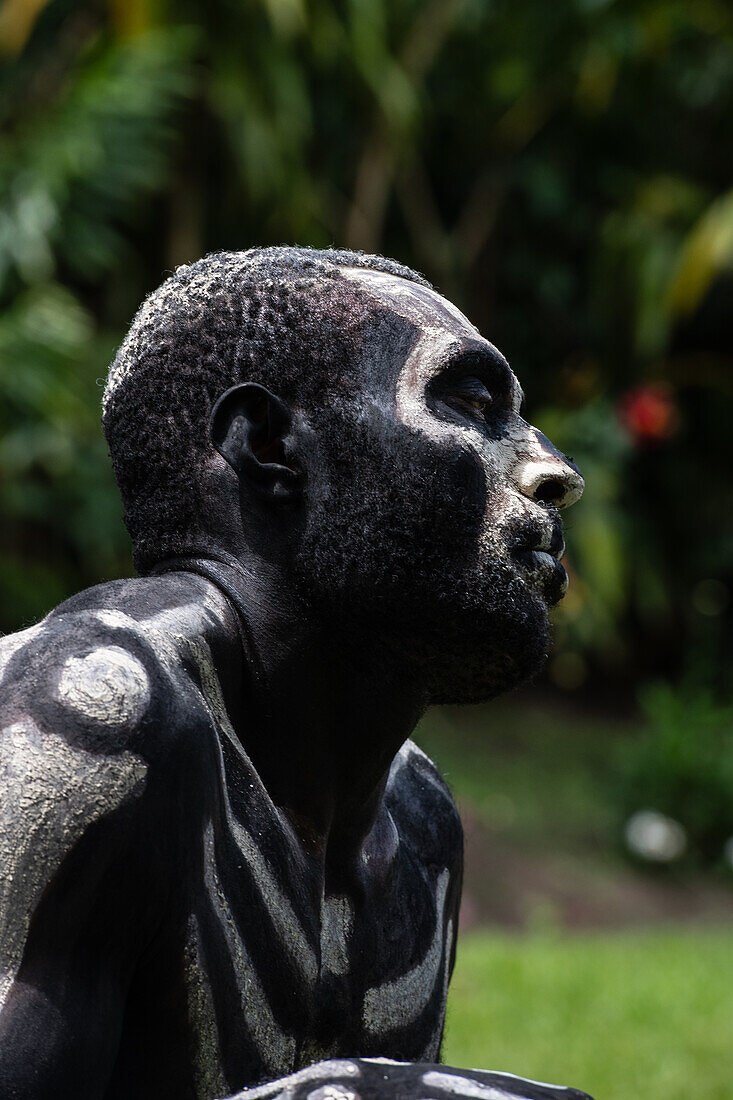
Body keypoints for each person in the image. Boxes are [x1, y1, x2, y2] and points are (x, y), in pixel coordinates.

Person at [0, 248, 589, 1100]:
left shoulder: (416, 821)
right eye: (469, 405)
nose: (554, 472)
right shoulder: (80, 722)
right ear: (270, 445)